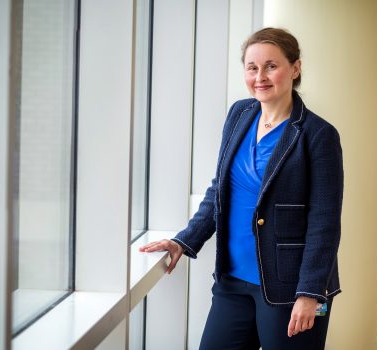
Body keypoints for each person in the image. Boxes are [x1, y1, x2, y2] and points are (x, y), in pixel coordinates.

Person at [140, 27, 343, 350]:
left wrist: (310, 293)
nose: (260, 76)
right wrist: (185, 239)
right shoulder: (240, 114)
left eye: (271, 66)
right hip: (232, 282)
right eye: (252, 67)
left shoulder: (318, 135)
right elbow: (220, 190)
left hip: (290, 289)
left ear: (295, 68)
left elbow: (325, 222)